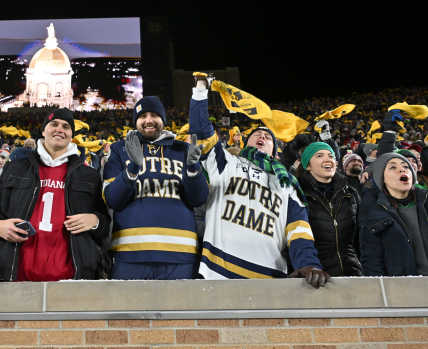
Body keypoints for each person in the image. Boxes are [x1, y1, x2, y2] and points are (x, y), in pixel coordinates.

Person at [189, 76, 329, 288]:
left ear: (275, 151)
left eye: (268, 136)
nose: (262, 137)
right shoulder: (226, 162)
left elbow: (298, 230)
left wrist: (309, 264)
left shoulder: (289, 183)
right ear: (246, 143)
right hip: (217, 274)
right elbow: (201, 131)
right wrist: (201, 90)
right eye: (257, 135)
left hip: (269, 281)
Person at [0, 108, 110, 281]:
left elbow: (105, 223)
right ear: (43, 130)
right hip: (16, 275)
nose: (60, 129)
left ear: (71, 135)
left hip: (72, 279)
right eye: (53, 124)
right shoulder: (16, 167)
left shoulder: (88, 175)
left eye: (66, 126)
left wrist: (95, 221)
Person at [102, 96, 208, 280]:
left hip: (180, 252)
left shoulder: (183, 149)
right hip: (130, 253)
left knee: (178, 308)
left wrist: (193, 169)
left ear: (163, 120)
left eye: (154, 115)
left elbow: (198, 199)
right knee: (128, 309)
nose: (149, 120)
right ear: (136, 121)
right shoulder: (119, 149)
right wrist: (132, 169)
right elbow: (112, 199)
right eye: (142, 116)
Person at [358, 152, 428, 276]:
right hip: (405, 290)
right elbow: (372, 264)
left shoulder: (425, 201)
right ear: (382, 178)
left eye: (406, 167)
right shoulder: (374, 215)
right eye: (392, 167)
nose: (401, 169)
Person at [298, 142, 362, 276]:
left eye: (331, 156)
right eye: (320, 156)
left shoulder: (350, 193)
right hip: (316, 275)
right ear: (308, 165)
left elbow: (361, 237)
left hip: (353, 272)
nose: (328, 159)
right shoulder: (298, 194)